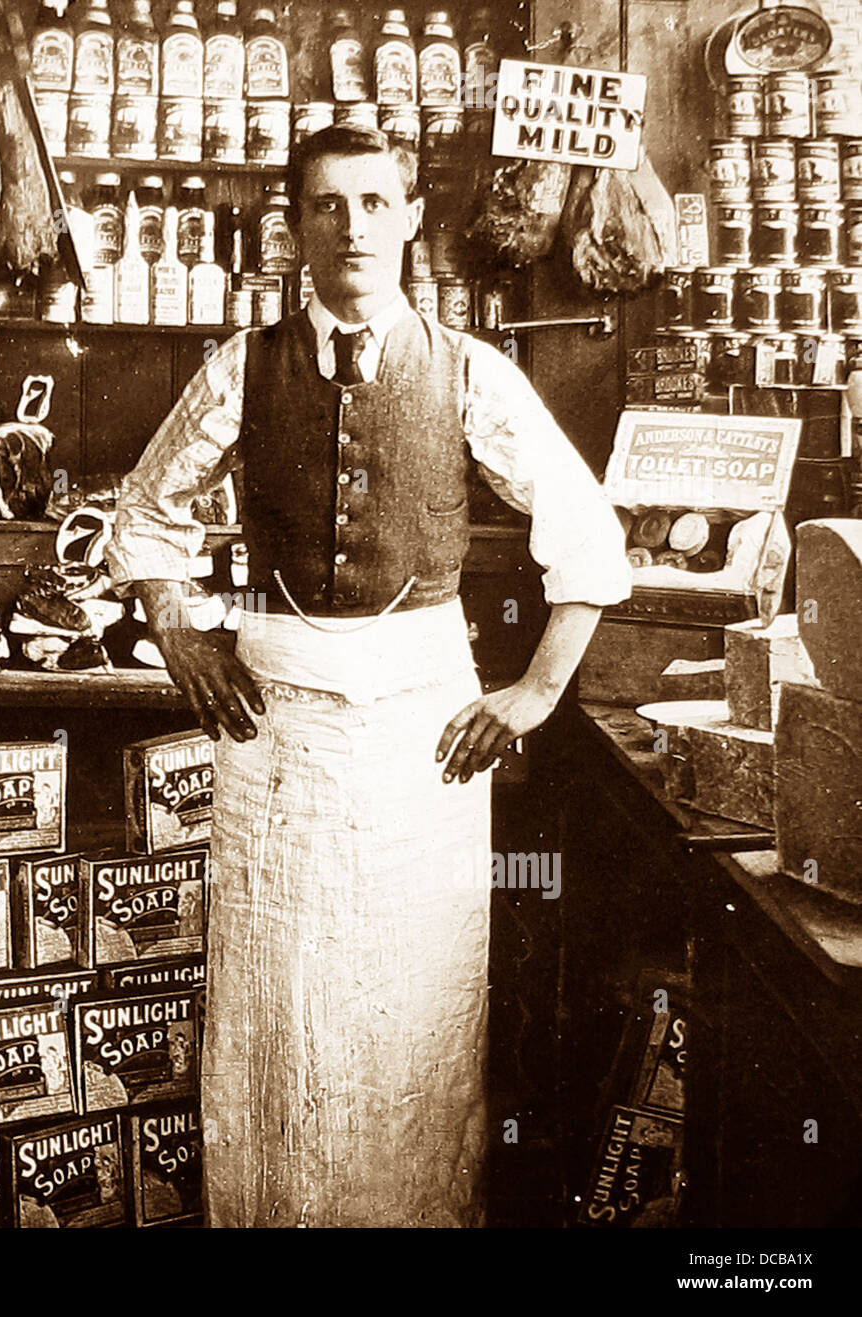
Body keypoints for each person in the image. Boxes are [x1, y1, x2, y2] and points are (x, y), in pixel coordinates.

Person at [106, 125, 631, 1228]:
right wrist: (176, 628)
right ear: (294, 227)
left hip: (423, 733)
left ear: (407, 221)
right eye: (326, 205)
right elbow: (144, 516)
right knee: (278, 1004)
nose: (350, 225)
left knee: (412, 1008)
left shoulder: (470, 370)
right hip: (277, 726)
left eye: (372, 202)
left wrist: (533, 692)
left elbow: (585, 530)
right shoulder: (238, 367)